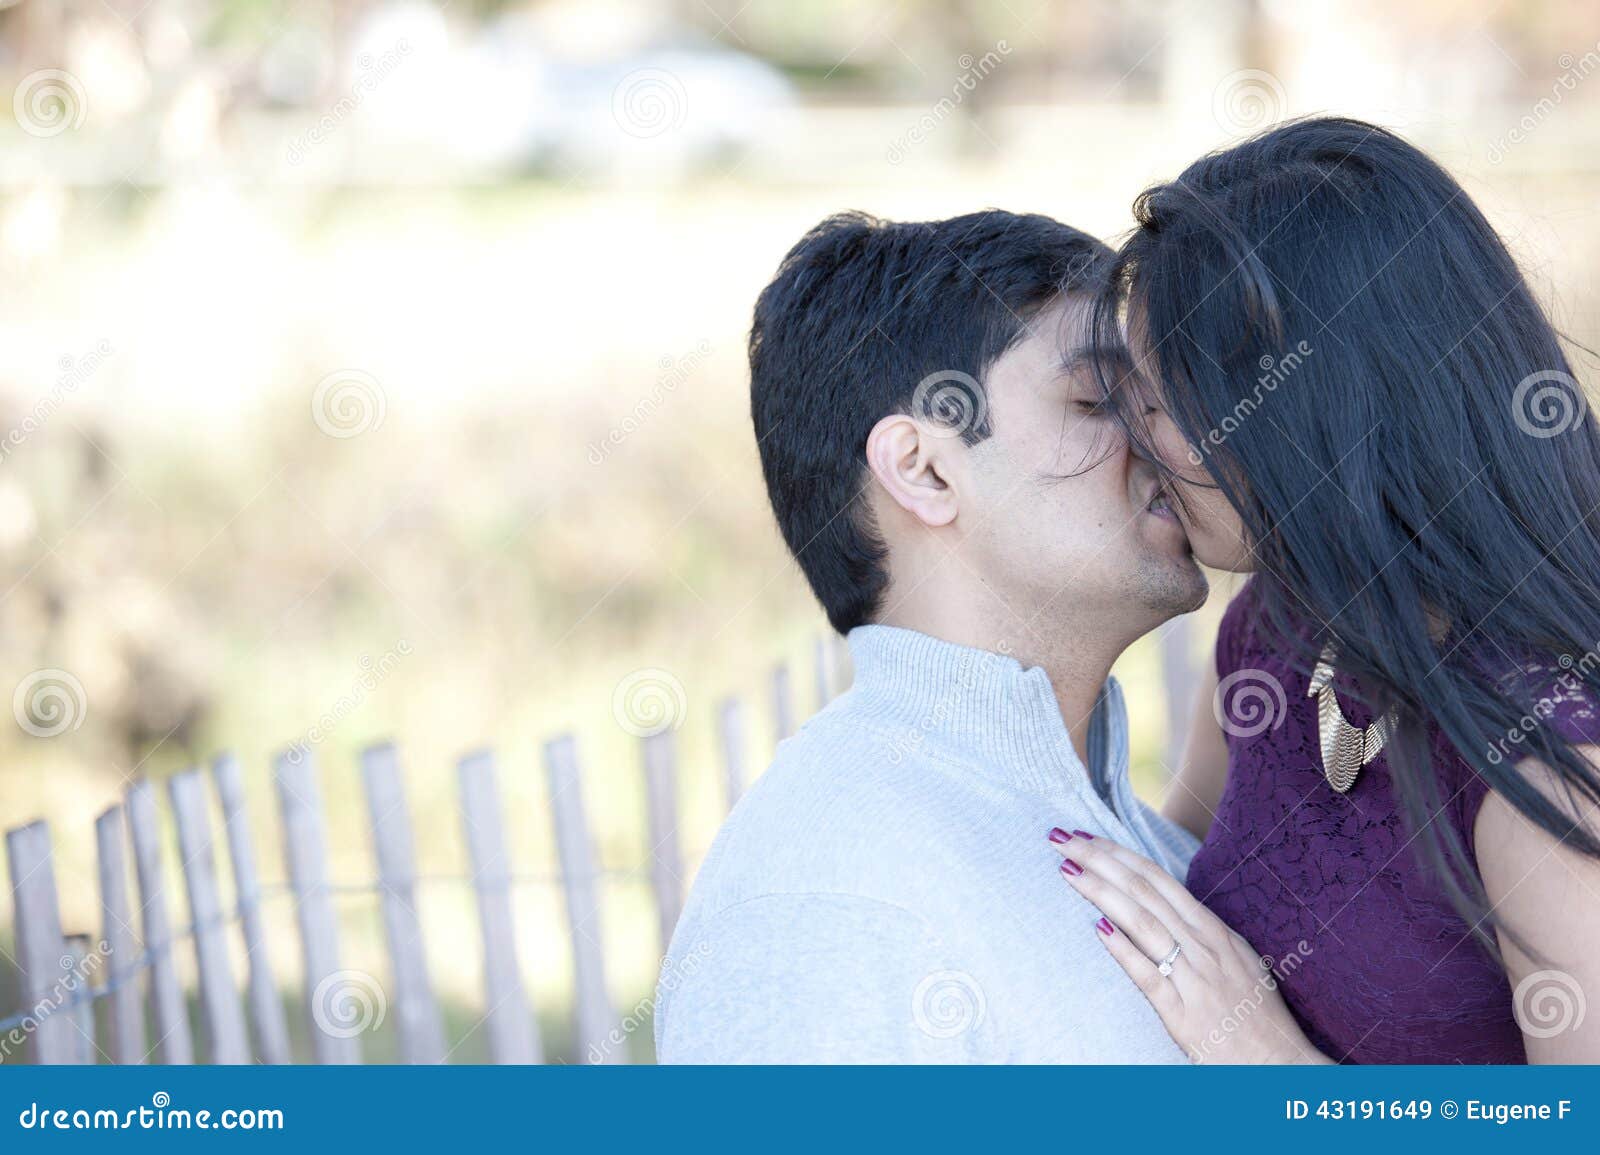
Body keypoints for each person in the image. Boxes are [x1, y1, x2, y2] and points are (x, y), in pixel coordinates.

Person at [1049, 117, 1600, 1064]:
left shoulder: (1546, 765)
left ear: (1316, 407)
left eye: (1159, 402)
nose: (1136, 442)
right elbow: (1175, 897)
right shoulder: (1275, 627)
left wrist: (1275, 1066)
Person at [654, 209, 1208, 1062]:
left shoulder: (1151, 845)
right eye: (1097, 400)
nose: (1169, 441)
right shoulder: (825, 908)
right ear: (923, 467)